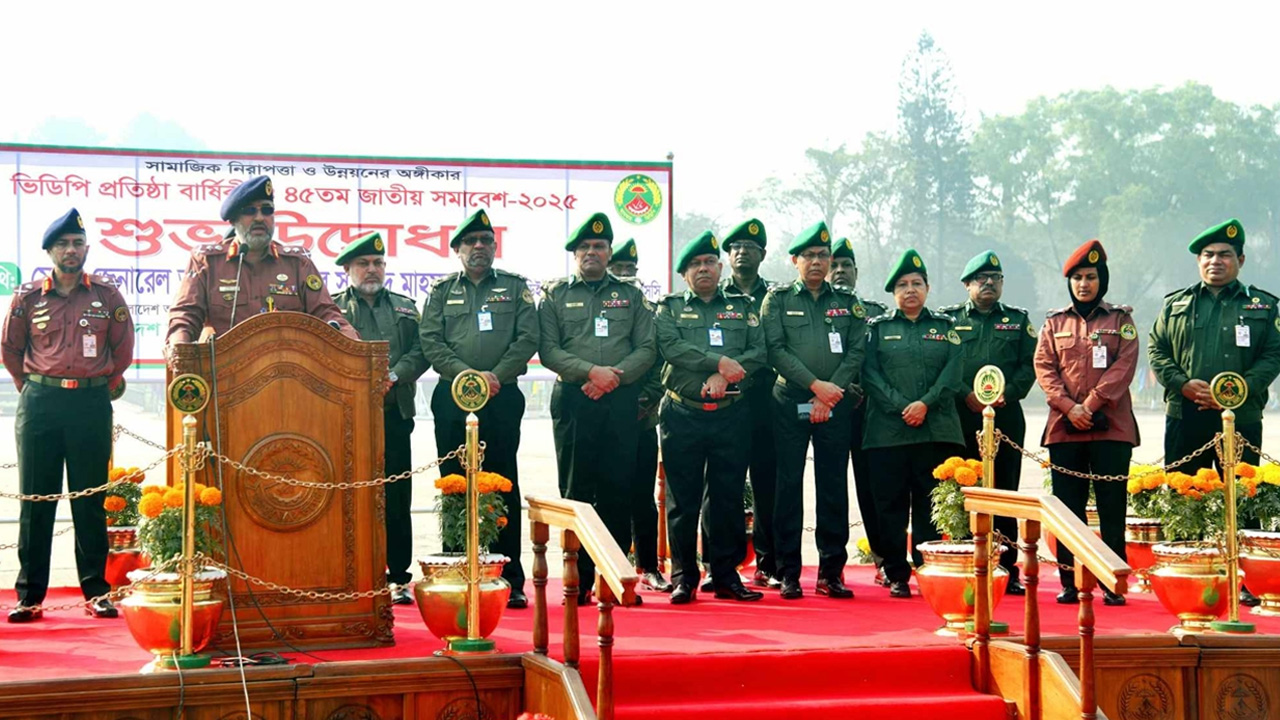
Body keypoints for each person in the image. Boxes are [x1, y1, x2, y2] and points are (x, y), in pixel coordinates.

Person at [2, 208, 134, 622]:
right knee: (36, 502)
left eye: (77, 243)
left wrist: (98, 385)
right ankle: (30, 597)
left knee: (90, 501)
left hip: (91, 406)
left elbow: (123, 349)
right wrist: (35, 388)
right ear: (50, 251)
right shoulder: (28, 297)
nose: (71, 250)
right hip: (41, 404)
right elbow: (10, 348)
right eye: (63, 244)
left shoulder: (107, 296)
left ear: (86, 249)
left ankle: (97, 592)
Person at [1148, 218, 1280, 607]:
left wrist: (1237, 392)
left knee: (1240, 495)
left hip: (1241, 419)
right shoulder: (1176, 304)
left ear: (1240, 260)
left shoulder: (1262, 305)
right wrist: (1182, 384)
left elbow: (1273, 354)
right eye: (1208, 255)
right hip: (1185, 413)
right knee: (1184, 493)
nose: (1215, 261)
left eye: (1224, 255)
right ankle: (1183, 572)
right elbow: (1157, 350)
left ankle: (1243, 578)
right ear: (1198, 262)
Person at [419, 209, 540, 609]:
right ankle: (456, 566)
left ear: (494, 247)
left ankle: (509, 576)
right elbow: (431, 342)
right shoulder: (440, 292)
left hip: (502, 396)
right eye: (470, 242)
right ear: (456, 249)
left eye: (485, 241)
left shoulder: (515, 287)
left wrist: (494, 377)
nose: (478, 247)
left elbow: (527, 338)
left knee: (503, 480)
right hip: (452, 397)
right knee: (453, 480)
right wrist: (468, 376)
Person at [538, 212, 656, 604]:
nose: (592, 252)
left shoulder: (631, 296)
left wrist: (614, 378)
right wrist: (590, 372)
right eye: (585, 247)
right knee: (575, 491)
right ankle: (578, 583)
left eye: (599, 247)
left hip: (620, 400)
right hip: (574, 400)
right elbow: (549, 349)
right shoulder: (555, 296)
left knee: (618, 491)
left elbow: (647, 348)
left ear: (609, 253)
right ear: (574, 254)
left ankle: (615, 579)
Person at [656, 232, 766, 604]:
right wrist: (717, 363)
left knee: (727, 497)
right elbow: (671, 346)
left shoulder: (743, 305)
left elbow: (759, 350)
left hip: (731, 415)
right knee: (681, 499)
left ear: (720, 268)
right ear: (684, 273)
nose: (703, 269)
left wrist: (727, 375)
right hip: (681, 413)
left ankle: (724, 575)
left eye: (709, 263)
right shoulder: (669, 307)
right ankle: (684, 576)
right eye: (695, 265)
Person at [760, 221, 866, 600]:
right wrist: (815, 386)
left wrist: (829, 392)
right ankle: (788, 571)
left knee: (833, 487)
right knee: (787, 486)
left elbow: (856, 350)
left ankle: (830, 572)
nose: (817, 262)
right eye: (810, 256)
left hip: (835, 404)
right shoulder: (778, 299)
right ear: (795, 260)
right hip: (789, 401)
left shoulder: (846, 303)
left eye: (823, 255)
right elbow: (774, 350)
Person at [1033, 239, 1137, 606]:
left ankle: (1113, 582)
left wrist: (1090, 405)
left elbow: (1123, 368)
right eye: (1077, 278)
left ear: (1101, 279)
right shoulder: (1054, 322)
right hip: (1065, 428)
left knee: (1112, 507)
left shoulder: (1121, 320)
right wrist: (1068, 407)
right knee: (1068, 510)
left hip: (1112, 427)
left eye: (1090, 277)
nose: (1083, 284)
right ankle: (1070, 581)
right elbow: (1044, 368)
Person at [332, 231, 430, 606]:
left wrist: (394, 375)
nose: (371, 270)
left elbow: (422, 350)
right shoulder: (333, 308)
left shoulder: (405, 307)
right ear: (347, 270)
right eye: (363, 264)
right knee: (349, 497)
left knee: (395, 496)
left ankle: (398, 576)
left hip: (394, 414)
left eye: (377, 263)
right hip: (346, 419)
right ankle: (351, 573)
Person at [862, 248, 964, 599]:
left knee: (928, 504)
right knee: (889, 505)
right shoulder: (877, 329)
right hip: (887, 433)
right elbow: (869, 375)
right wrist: (902, 405)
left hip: (934, 430)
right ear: (893, 293)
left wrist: (925, 403)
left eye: (916, 283)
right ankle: (895, 573)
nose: (910, 290)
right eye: (903, 285)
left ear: (927, 288)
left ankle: (927, 567)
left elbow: (954, 373)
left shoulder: (945, 328)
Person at [166, 175, 357, 354]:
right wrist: (180, 348)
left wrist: (356, 347)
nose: (259, 218)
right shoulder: (207, 261)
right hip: (225, 374)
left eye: (267, 210)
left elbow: (325, 313)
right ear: (233, 220)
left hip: (288, 373)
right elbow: (185, 315)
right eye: (250, 211)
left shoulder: (298, 264)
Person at [938, 250, 1037, 596]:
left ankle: (1006, 568)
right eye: (981, 279)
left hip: (1005, 415)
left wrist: (1006, 393)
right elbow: (945, 364)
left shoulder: (1017, 320)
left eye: (995, 278)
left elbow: (1030, 365)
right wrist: (966, 393)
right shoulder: (948, 321)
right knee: (964, 488)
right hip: (961, 412)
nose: (988, 284)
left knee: (1005, 492)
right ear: (967, 285)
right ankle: (967, 560)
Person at [607, 239, 672, 593]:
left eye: (629, 270)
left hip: (641, 418)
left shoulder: (652, 311)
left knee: (641, 497)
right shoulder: (599, 308)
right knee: (606, 494)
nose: (624, 276)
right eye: (617, 270)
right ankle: (610, 564)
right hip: (602, 413)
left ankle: (648, 565)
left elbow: (660, 361)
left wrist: (648, 399)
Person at [721, 218, 780, 589]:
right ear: (728, 256)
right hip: (724, 398)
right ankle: (719, 564)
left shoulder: (776, 296)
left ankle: (768, 562)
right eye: (736, 246)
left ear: (762, 255)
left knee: (766, 481)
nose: (743, 252)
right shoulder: (713, 291)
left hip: (765, 397)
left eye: (750, 247)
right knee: (723, 483)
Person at [828, 238, 889, 586]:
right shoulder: (816, 307)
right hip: (829, 407)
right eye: (834, 265)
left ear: (856, 272)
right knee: (832, 486)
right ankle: (832, 566)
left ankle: (883, 559)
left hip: (869, 411)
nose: (839, 272)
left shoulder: (874, 312)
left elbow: (883, 359)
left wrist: (864, 390)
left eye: (845, 266)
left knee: (873, 487)